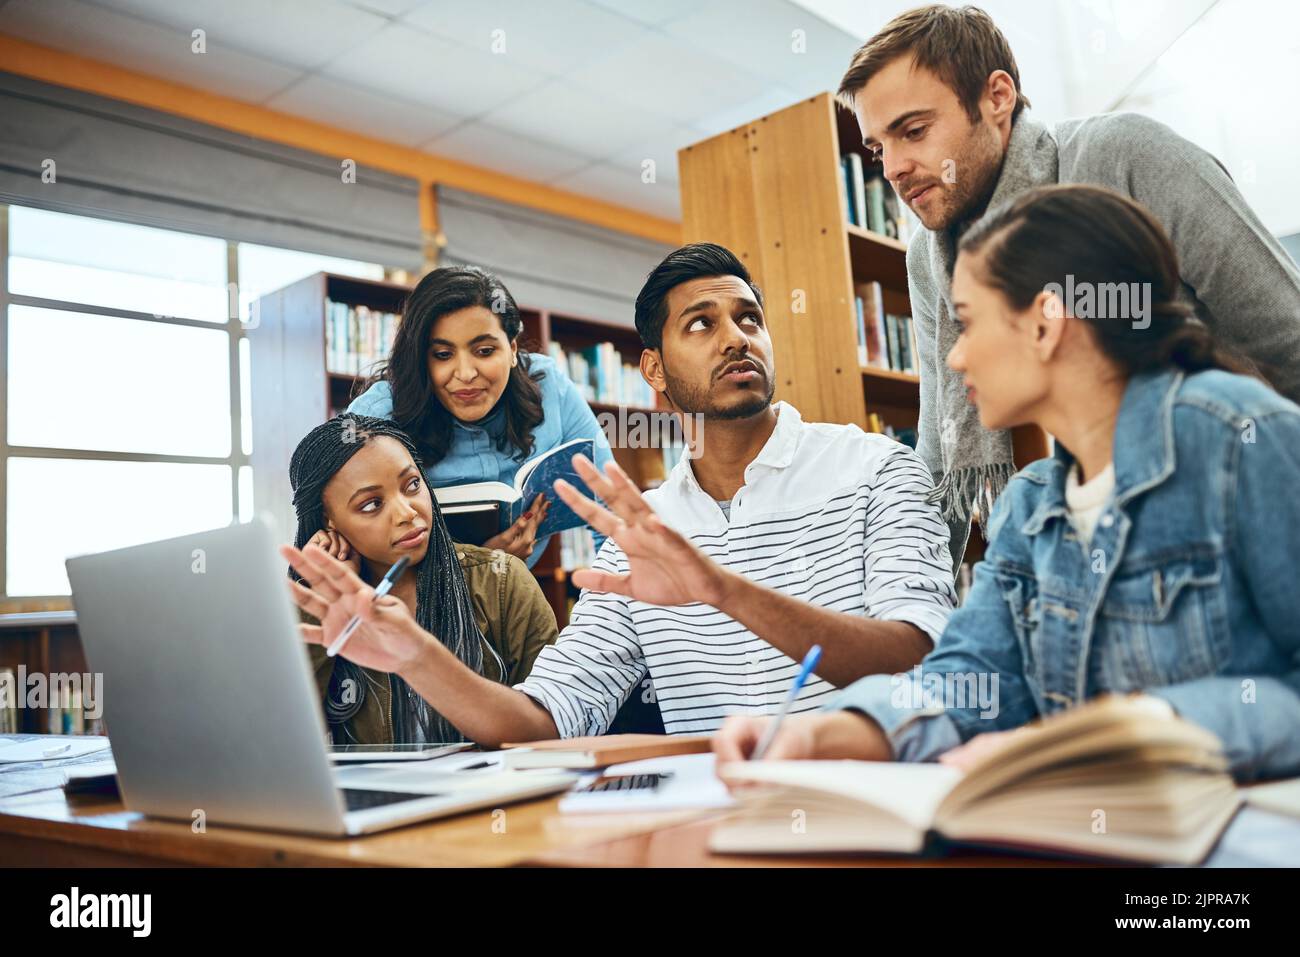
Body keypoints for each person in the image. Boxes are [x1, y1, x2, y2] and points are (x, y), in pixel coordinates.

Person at [714, 185, 1300, 783]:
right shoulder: (1031, 506)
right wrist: (818, 732)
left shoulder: (1240, 438)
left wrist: (1132, 733)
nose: (956, 357)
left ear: (1046, 324)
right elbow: (970, 680)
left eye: (966, 323)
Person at [281, 243, 956, 746]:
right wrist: (415, 654)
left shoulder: (877, 469)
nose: (734, 338)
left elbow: (926, 658)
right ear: (654, 371)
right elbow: (544, 718)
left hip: (879, 813)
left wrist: (721, 589)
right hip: (717, 830)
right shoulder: (639, 538)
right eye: (701, 323)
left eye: (748, 318)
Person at [836, 3, 1300, 566]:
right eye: (880, 148)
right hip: (1104, 550)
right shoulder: (927, 258)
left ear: (997, 97)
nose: (894, 169)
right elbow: (939, 452)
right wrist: (906, 598)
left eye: (914, 131)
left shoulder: (1126, 155)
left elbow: (1288, 334)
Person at [287, 414, 557, 744]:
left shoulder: (503, 584)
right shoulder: (305, 611)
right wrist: (321, 602)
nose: (407, 513)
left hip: (497, 792)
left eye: (412, 485)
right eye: (372, 504)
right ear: (329, 524)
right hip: (375, 794)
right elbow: (280, 743)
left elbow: (552, 724)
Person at [348, 265, 614, 568]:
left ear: (512, 349)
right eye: (443, 355)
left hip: (516, 601)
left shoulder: (550, 387)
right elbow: (344, 538)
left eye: (485, 351)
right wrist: (480, 568)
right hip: (410, 605)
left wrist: (606, 608)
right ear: (420, 359)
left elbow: (610, 510)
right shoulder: (377, 414)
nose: (465, 374)